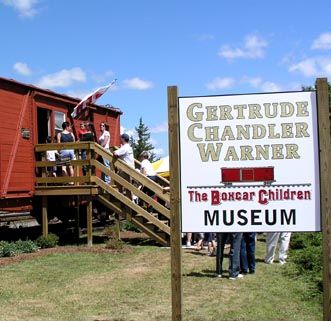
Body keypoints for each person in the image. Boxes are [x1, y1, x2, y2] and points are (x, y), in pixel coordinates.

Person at [114, 133, 135, 198]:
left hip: (126, 169)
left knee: (117, 179)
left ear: (123, 139)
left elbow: (115, 153)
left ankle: (121, 197)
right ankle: (130, 200)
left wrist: (117, 151)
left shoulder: (125, 147)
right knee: (128, 186)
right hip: (130, 169)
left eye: (121, 138)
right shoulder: (128, 147)